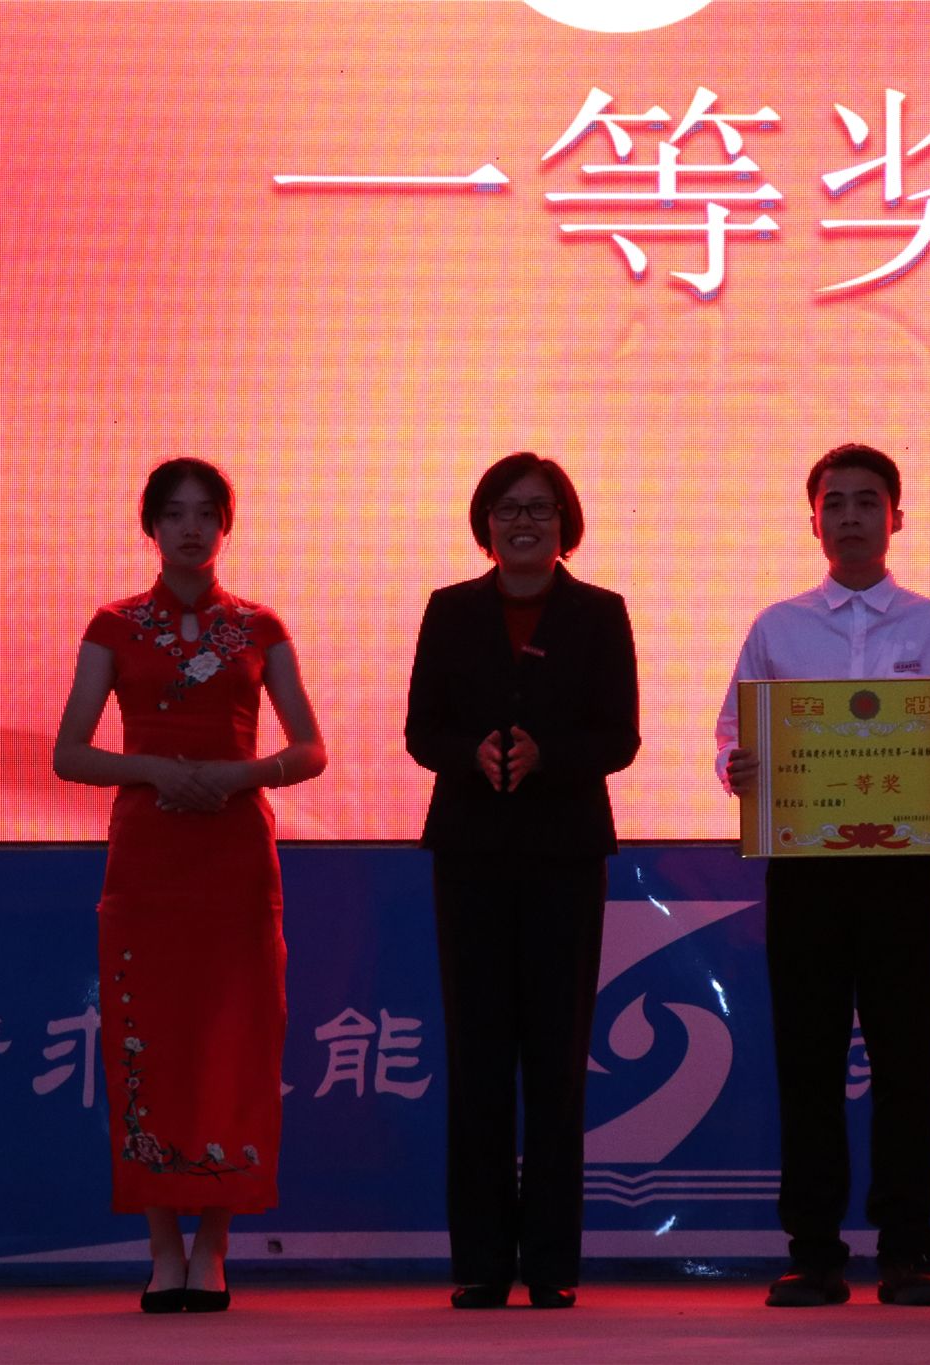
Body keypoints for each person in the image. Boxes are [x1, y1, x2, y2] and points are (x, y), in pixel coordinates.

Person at [716, 443, 930, 1309]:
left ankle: (908, 1251)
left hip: (903, 873)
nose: (850, 516)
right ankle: (813, 1252)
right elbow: (733, 736)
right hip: (805, 871)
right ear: (813, 520)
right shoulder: (777, 627)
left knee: (907, 1063)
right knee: (807, 1062)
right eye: (834, 502)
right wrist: (738, 767)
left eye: (866, 501)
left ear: (895, 517)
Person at [53, 457, 328, 1314]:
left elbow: (311, 748)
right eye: (174, 514)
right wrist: (155, 770)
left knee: (231, 1042)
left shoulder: (259, 627)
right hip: (149, 860)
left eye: (206, 513)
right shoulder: (113, 625)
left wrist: (243, 774)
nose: (190, 529)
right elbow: (69, 752)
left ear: (225, 525)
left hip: (236, 860)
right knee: (152, 1041)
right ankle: (162, 1247)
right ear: (151, 525)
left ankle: (213, 1245)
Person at [404, 453, 640, 1310]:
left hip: (564, 856)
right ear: (486, 522)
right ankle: (480, 1262)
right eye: (507, 508)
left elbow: (619, 737)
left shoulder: (600, 613)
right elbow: (421, 730)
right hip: (470, 854)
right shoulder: (450, 609)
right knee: (477, 1060)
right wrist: (470, 751)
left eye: (540, 508)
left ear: (565, 521)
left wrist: (550, 755)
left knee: (555, 1062)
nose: (524, 522)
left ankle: (549, 1263)